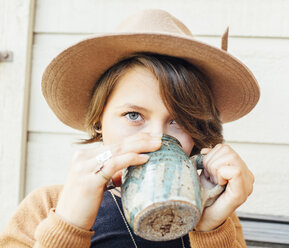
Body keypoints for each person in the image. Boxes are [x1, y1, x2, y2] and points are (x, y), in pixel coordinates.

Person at [0, 9, 259, 248]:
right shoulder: (46, 205)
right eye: (133, 115)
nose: (157, 139)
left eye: (178, 120)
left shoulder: (214, 209)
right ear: (98, 121)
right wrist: (69, 223)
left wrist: (211, 229)